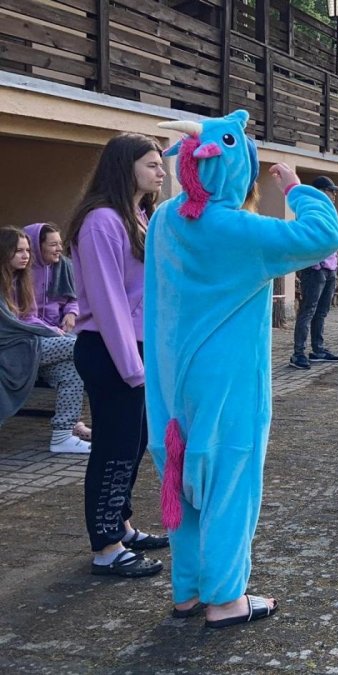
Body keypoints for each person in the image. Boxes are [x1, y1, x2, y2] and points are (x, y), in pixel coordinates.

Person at [145, 111, 338, 627]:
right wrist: (296, 187)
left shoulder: (164, 219)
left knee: (180, 474)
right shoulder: (239, 230)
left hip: (169, 375)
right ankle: (226, 598)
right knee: (229, 480)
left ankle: (188, 591)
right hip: (227, 378)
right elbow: (324, 235)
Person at [63, 132, 169, 578]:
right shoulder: (101, 221)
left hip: (135, 350)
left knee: (133, 443)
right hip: (111, 351)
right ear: (126, 167)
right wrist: (132, 368)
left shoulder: (137, 216)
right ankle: (106, 547)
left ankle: (121, 526)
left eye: (161, 163)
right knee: (113, 449)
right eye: (152, 164)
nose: (161, 172)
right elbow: (108, 303)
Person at [0, 227, 91, 453]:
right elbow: (9, 325)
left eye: (27, 250)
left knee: (71, 369)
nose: (25, 255)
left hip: (30, 344)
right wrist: (51, 332)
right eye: (18, 251)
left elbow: (28, 316)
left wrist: (52, 329)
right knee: (80, 346)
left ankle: (63, 435)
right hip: (12, 348)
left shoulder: (21, 279)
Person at [23, 222, 91, 440]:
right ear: (37, 246)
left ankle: (65, 430)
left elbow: (74, 299)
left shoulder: (63, 267)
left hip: (56, 340)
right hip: (29, 342)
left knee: (72, 371)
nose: (59, 249)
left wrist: (71, 313)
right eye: (53, 245)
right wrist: (52, 330)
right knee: (85, 347)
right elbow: (21, 316)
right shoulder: (20, 275)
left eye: (60, 244)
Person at [289, 175, 338, 370]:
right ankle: (298, 353)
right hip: (314, 269)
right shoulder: (309, 210)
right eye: (331, 191)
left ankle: (318, 349)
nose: (334, 195)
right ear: (320, 192)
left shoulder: (329, 211)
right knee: (308, 310)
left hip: (330, 267)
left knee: (321, 311)